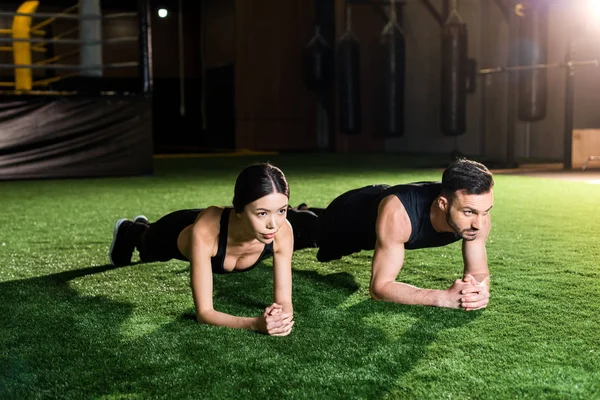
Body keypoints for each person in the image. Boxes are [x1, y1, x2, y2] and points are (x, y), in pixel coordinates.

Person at [108, 163, 300, 336]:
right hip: (174, 231)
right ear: (239, 210)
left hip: (218, 228)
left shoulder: (283, 232)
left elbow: (284, 301)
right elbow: (204, 313)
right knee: (148, 248)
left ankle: (141, 226)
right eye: (262, 213)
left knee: (147, 253)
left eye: (281, 210)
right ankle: (131, 229)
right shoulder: (205, 232)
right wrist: (255, 324)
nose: (273, 224)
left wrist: (279, 317)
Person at [313, 158, 494, 311]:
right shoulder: (399, 214)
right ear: (443, 204)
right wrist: (442, 297)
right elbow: (380, 288)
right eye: (468, 212)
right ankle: (301, 214)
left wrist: (479, 291)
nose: (479, 224)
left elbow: (478, 272)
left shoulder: (477, 218)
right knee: (314, 236)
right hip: (349, 216)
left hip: (383, 211)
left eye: (485, 211)